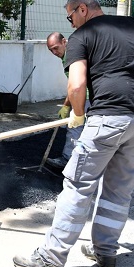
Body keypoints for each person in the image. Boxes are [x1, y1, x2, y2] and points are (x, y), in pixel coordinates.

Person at [13, 0, 134, 267]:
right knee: (118, 190)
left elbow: (76, 86)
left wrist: (77, 113)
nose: (70, 23)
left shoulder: (81, 38)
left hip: (109, 117)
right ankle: (105, 252)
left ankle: (52, 256)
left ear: (82, 9)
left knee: (78, 186)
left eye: (70, 16)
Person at [45, 32, 90, 169]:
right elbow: (72, 85)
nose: (54, 52)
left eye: (56, 47)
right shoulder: (68, 55)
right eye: (50, 50)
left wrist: (67, 107)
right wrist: (66, 105)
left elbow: (77, 86)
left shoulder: (73, 55)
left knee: (74, 127)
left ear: (64, 41)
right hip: (85, 95)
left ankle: (68, 160)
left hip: (87, 97)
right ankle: (84, 162)